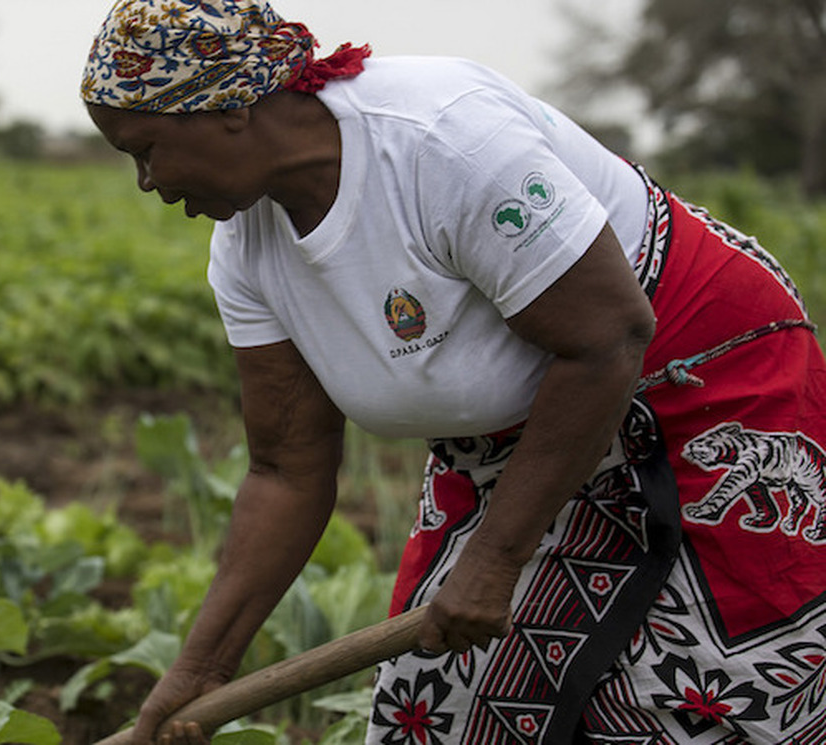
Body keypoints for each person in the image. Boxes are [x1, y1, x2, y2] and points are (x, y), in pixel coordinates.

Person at [80, 1, 826, 742]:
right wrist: (203, 670)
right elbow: (286, 469)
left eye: (145, 149)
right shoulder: (246, 250)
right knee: (438, 704)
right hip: (515, 434)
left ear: (228, 110)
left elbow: (606, 339)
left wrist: (496, 557)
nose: (147, 180)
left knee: (692, 693)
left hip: (699, 388)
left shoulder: (441, 142)